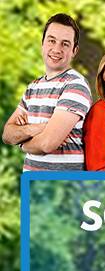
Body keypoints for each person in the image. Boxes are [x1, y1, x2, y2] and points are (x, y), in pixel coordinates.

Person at [3, 13, 90, 170]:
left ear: (74, 51)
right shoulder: (33, 87)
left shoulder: (75, 85)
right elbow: (7, 134)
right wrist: (37, 128)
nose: (56, 49)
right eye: (51, 40)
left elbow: (47, 144)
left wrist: (22, 143)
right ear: (42, 44)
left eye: (65, 44)